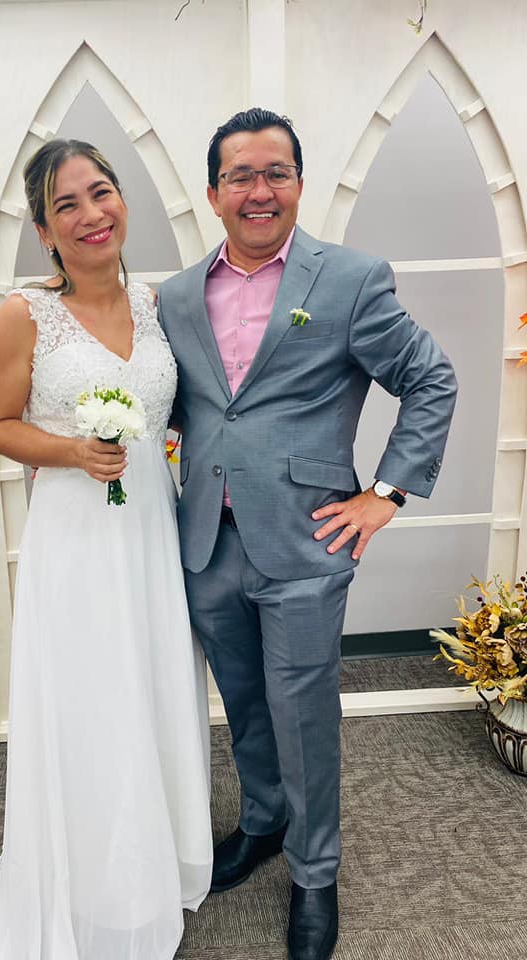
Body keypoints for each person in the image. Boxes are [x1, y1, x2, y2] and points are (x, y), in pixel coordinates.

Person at [158, 108, 457, 960]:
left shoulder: (351, 279)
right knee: (244, 704)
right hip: (205, 540)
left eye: (276, 173)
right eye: (241, 176)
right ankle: (262, 821)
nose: (260, 191)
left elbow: (430, 379)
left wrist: (386, 494)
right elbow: (180, 407)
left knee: (303, 712)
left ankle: (315, 874)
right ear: (213, 192)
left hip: (305, 543)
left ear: (298, 182)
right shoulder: (176, 297)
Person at [0, 139, 212, 960]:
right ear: (45, 231)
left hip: (150, 525)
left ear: (124, 202)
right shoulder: (24, 314)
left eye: (102, 192)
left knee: (150, 681)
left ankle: (157, 863)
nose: (91, 215)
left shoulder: (160, 306)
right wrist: (73, 452)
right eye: (67, 206)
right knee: (92, 694)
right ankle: (92, 881)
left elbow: (180, 410)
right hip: (77, 536)